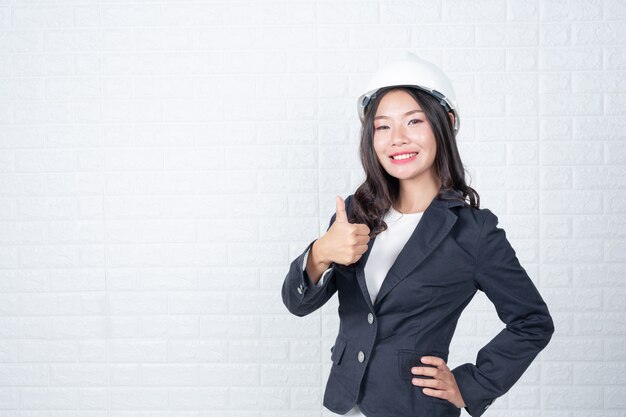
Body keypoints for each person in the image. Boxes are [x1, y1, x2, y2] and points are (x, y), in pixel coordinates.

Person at [281, 53, 554, 417]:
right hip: (345, 405)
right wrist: (319, 253)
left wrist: (471, 385)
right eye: (383, 126)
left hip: (415, 408)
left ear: (446, 122)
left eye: (414, 121)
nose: (398, 139)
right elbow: (297, 304)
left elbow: (532, 322)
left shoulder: (473, 232)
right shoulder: (356, 212)